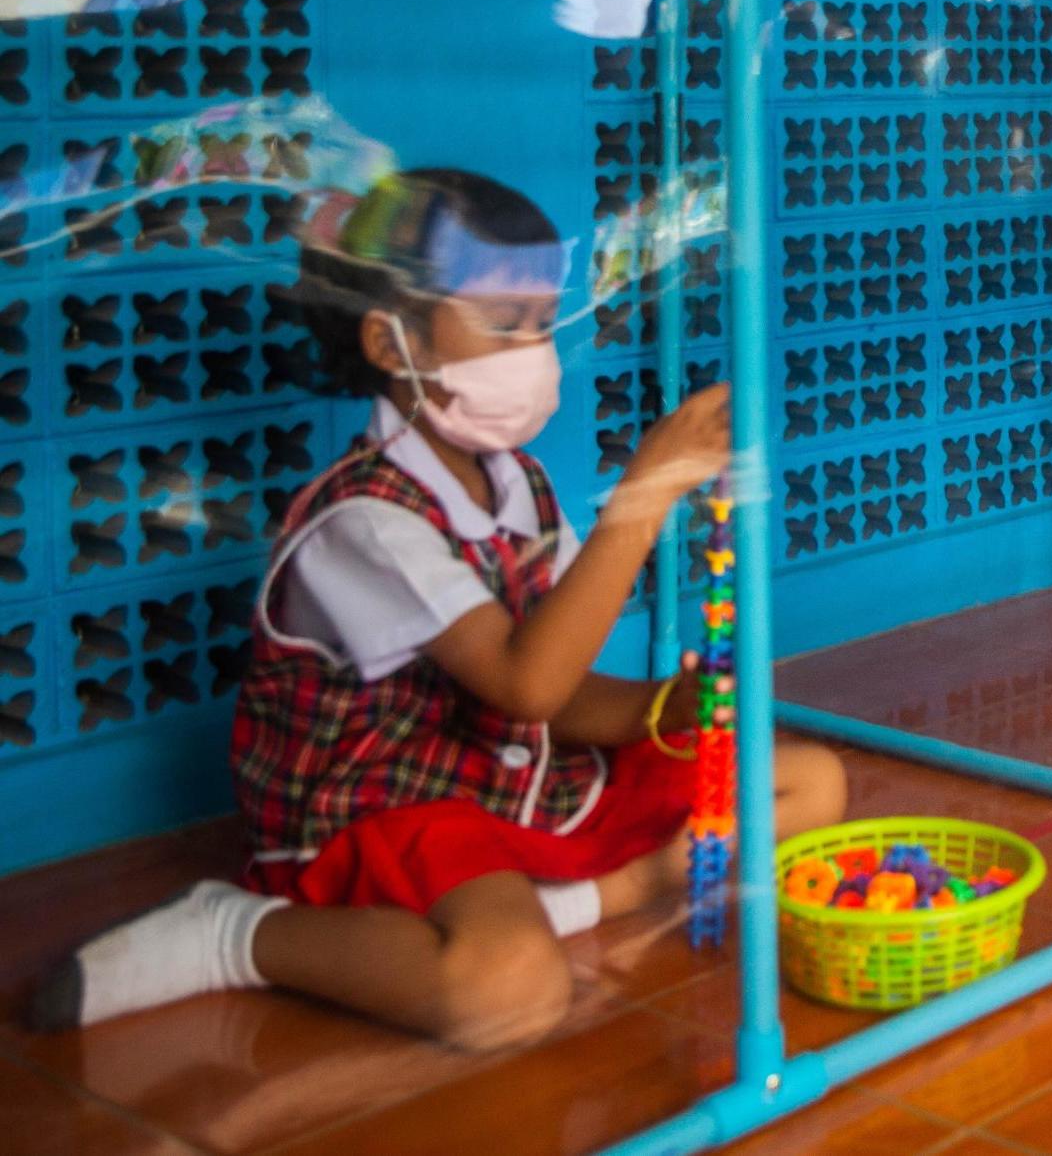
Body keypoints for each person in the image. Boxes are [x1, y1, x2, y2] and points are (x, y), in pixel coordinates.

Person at [28, 169, 846, 1048]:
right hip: (388, 810)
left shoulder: (516, 482)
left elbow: (560, 696)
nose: (534, 349)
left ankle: (564, 895)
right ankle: (241, 933)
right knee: (507, 993)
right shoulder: (364, 522)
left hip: (510, 782)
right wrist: (643, 495)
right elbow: (527, 685)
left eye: (541, 322)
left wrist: (660, 712)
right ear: (392, 341)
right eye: (501, 323)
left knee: (809, 779)